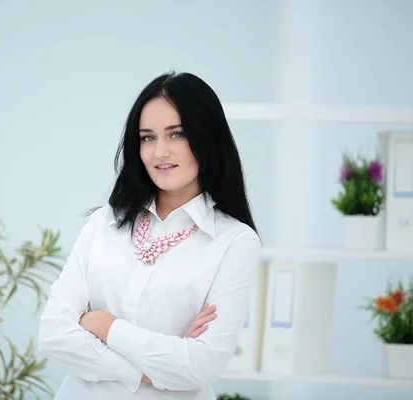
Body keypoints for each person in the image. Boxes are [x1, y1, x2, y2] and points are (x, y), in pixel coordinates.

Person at [38, 71, 261, 399]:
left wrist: (104, 326)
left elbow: (200, 367)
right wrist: (145, 371)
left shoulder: (234, 241)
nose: (159, 153)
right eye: (147, 137)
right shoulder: (105, 222)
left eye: (177, 135)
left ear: (207, 138)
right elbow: (53, 334)